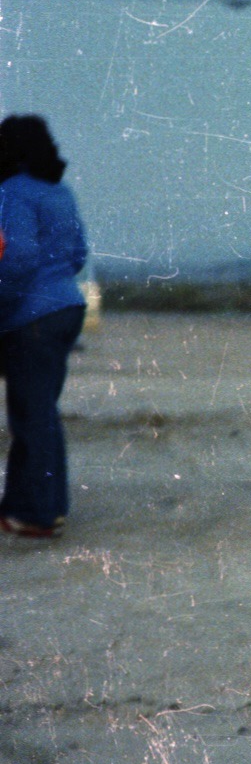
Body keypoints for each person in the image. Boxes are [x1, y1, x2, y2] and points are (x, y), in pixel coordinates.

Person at [0, 116, 90, 540]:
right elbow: (77, 254)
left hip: (30, 317)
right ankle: (41, 507)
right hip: (65, 307)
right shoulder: (59, 192)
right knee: (41, 411)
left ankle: (33, 512)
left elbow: (16, 260)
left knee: (31, 414)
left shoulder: (12, 193)